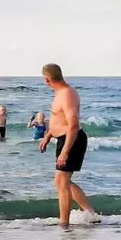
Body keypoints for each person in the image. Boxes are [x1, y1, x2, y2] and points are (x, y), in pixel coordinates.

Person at [39, 63, 97, 227]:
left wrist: (65, 152)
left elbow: (72, 124)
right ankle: (91, 214)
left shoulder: (67, 94)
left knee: (62, 182)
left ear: (47, 79)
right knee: (60, 182)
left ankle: (64, 224)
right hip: (64, 139)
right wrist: (48, 136)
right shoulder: (59, 93)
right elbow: (59, 119)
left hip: (72, 139)